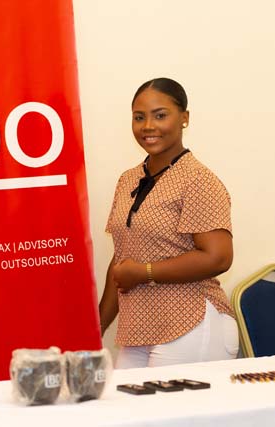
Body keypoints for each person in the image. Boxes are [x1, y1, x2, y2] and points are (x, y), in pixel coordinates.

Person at [98, 77, 239, 368]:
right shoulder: (128, 179)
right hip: (138, 329)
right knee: (123, 398)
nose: (148, 126)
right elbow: (121, 261)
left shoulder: (198, 179)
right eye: (139, 117)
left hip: (191, 323)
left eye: (160, 115)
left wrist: (144, 272)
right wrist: (95, 328)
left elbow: (218, 257)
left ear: (184, 118)